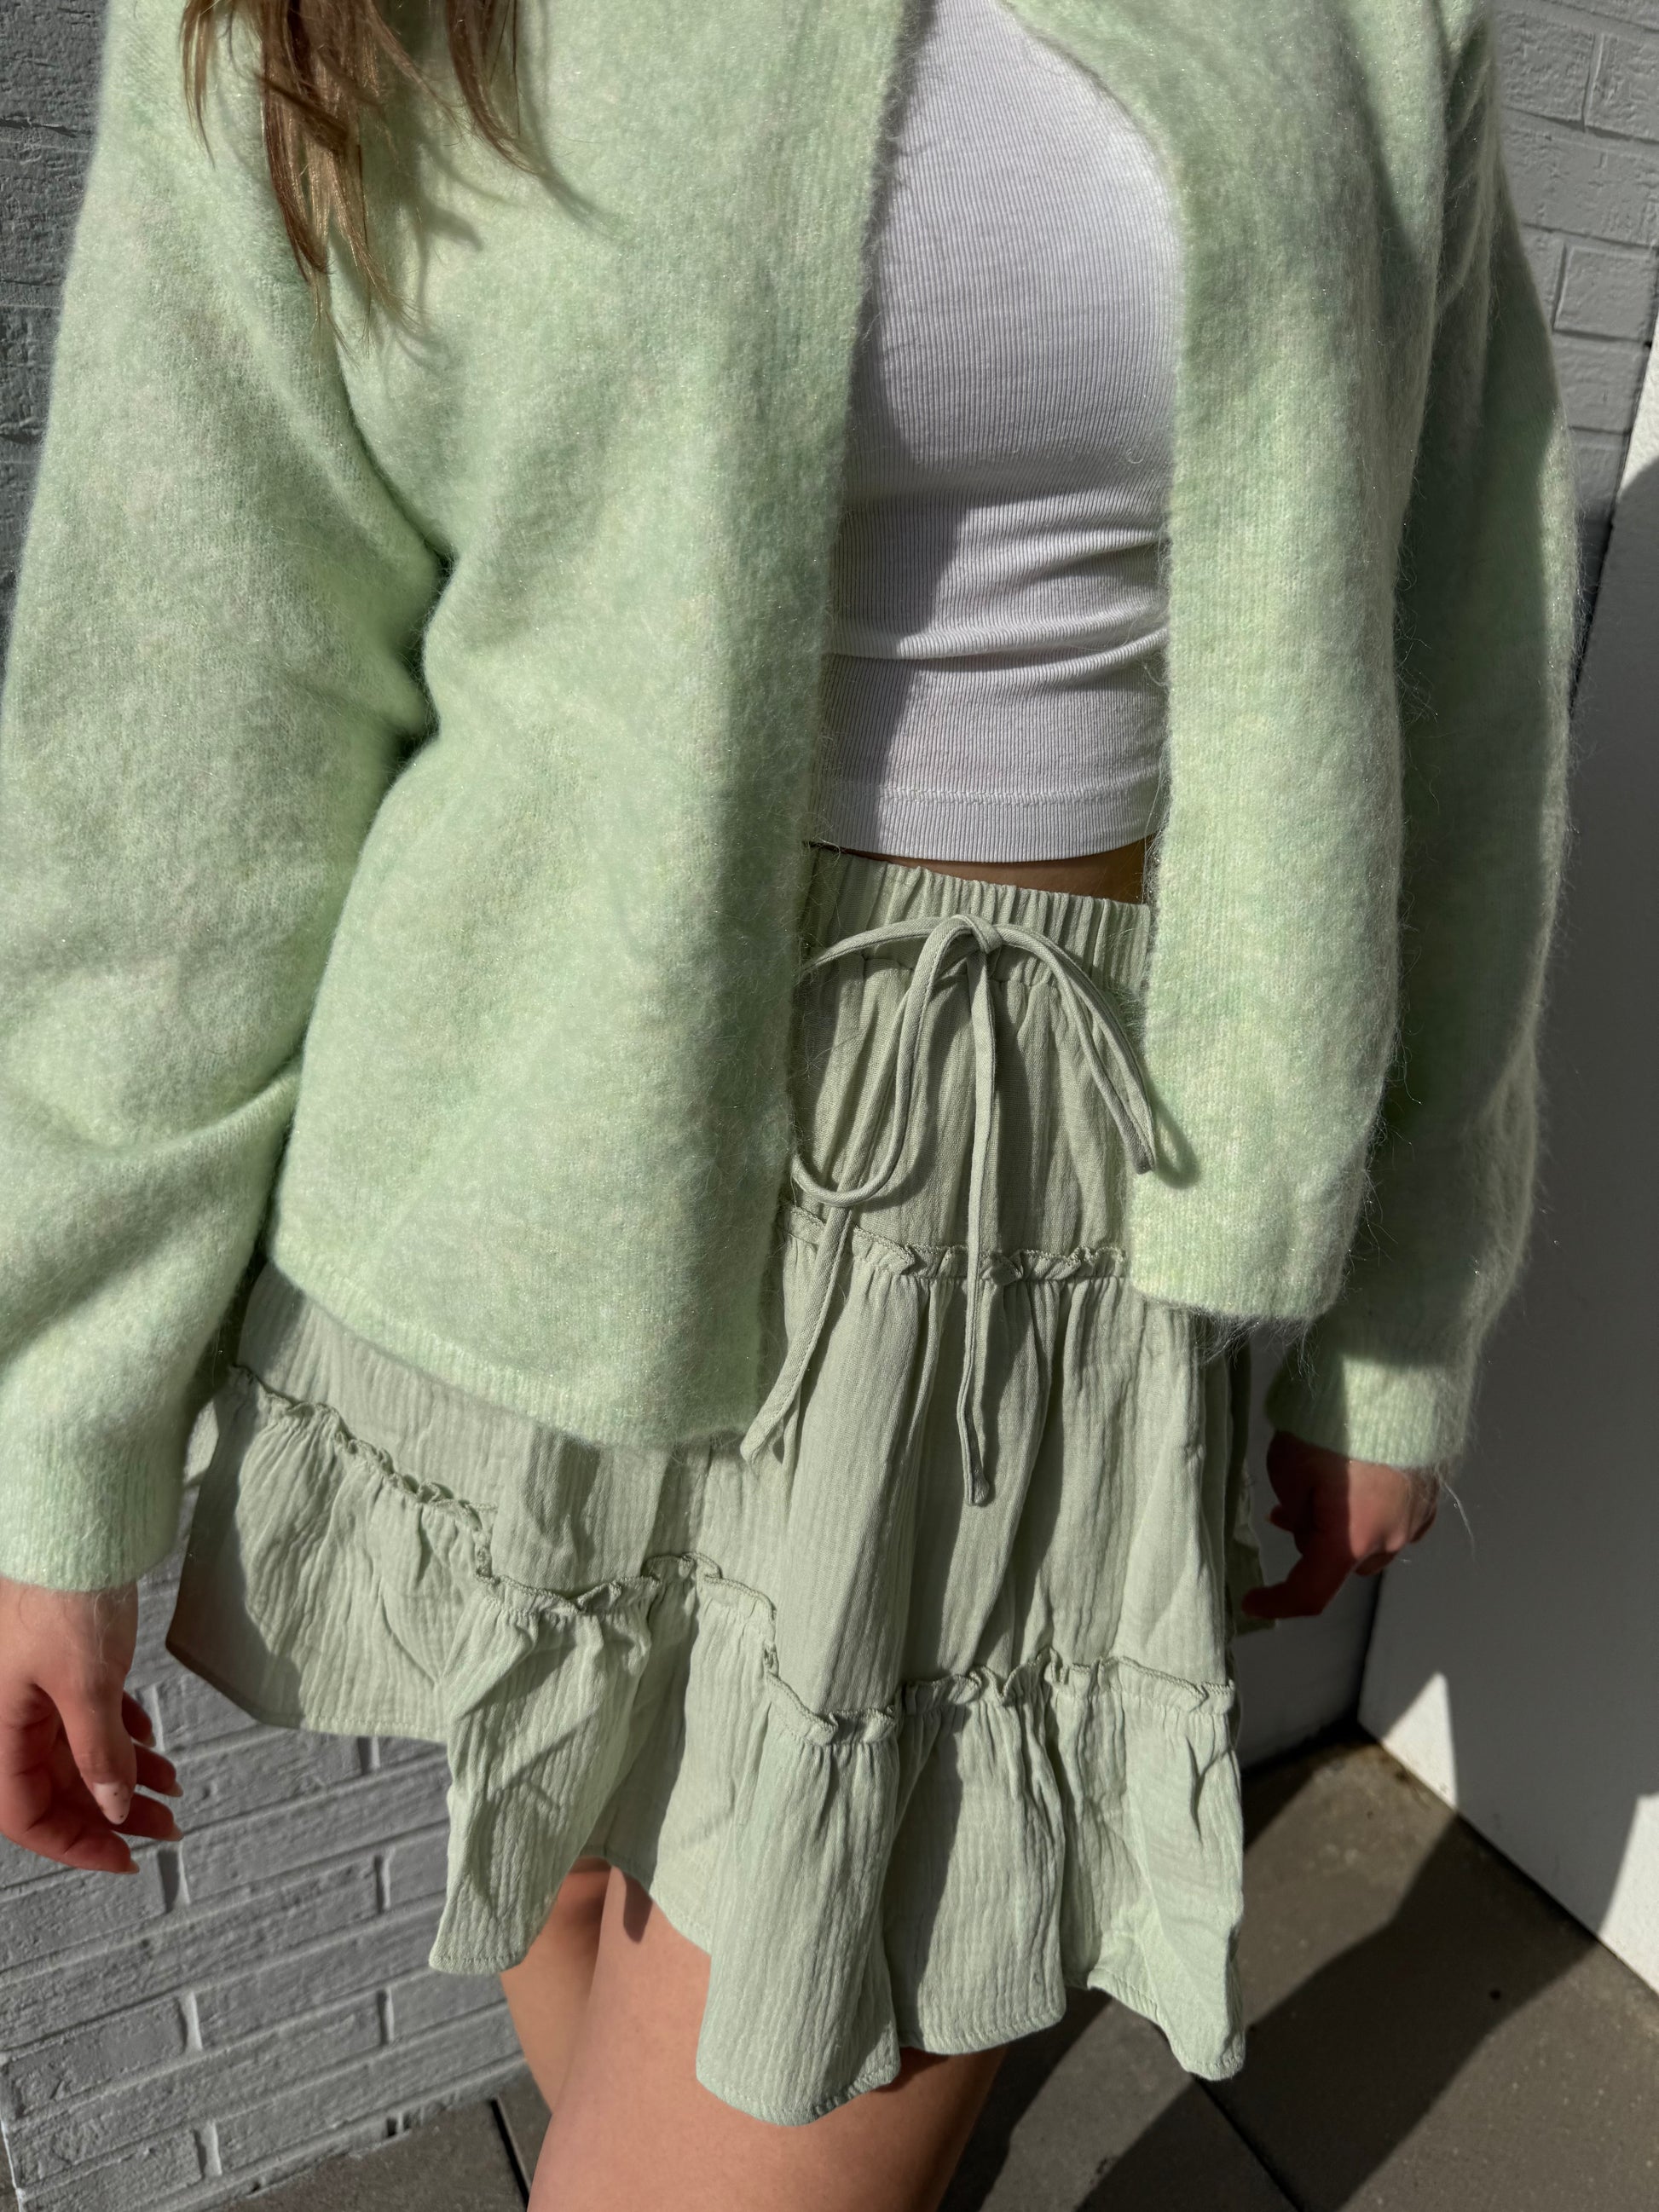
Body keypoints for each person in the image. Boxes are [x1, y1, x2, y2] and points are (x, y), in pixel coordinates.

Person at [0, 0, 1577, 2205]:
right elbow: (186, 739)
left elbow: (1462, 661)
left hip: (1023, 1217)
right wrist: (54, 1436)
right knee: (586, 1896)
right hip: (528, 1180)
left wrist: (1400, 1300)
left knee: (798, 2045)